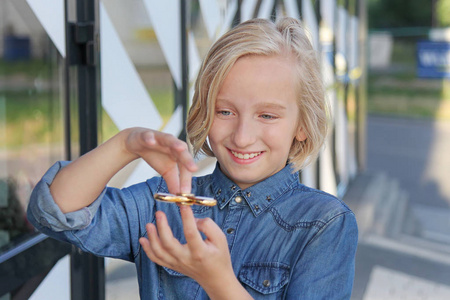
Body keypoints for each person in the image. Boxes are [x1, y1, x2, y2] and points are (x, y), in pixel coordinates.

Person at [27, 17, 358, 299]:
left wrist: (218, 283)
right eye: (224, 111)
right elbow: (54, 212)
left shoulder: (324, 224)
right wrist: (126, 145)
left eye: (267, 116)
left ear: (302, 126)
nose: (242, 136)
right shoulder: (163, 202)